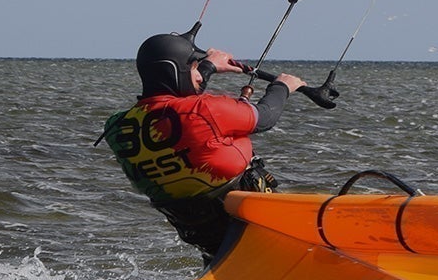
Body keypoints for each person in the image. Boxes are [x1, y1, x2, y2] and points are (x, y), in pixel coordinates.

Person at [103, 31, 311, 258]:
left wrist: (208, 67)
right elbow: (265, 117)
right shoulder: (206, 111)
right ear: (176, 71)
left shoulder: (117, 126)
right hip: (250, 220)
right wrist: (282, 86)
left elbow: (174, 107)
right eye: (192, 68)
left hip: (201, 235)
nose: (199, 77)